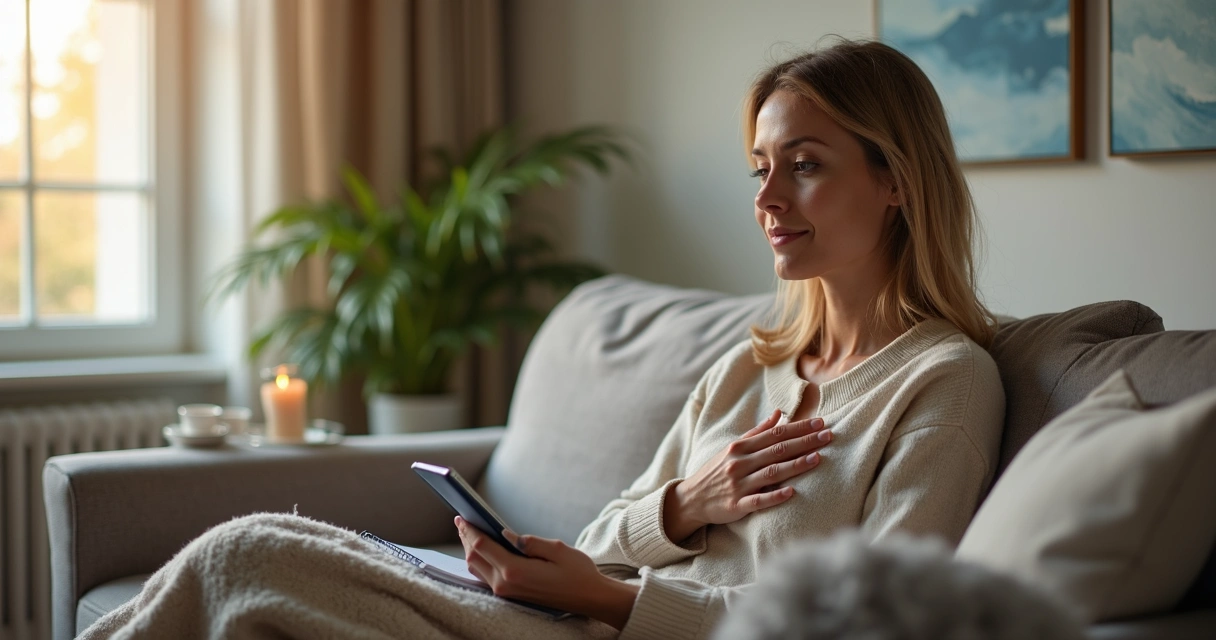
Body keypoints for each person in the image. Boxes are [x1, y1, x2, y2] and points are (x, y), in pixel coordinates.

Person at [81, 39, 1005, 640]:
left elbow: (874, 626)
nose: (765, 201)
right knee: (256, 546)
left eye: (804, 168)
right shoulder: (744, 368)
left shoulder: (943, 384)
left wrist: (612, 598)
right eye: (762, 169)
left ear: (897, 181)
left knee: (257, 560)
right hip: (575, 620)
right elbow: (605, 535)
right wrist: (688, 503)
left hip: (606, 629)